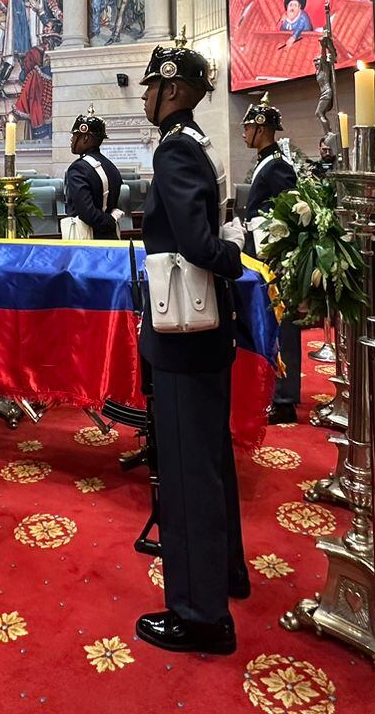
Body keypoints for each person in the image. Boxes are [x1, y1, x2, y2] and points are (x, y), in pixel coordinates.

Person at [134, 38, 247, 656]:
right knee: (210, 462)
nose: (146, 97)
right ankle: (224, 572)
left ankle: (199, 614)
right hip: (207, 330)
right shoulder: (198, 143)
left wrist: (235, 256)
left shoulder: (175, 149)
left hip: (184, 333)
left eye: (151, 87)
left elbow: (200, 245)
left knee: (186, 473)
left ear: (172, 89)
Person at [241, 93, 300, 424]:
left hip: (273, 255)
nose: (244, 134)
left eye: (247, 127)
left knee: (282, 325)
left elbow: (288, 210)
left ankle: (285, 398)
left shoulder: (277, 164)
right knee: (271, 323)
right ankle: (277, 391)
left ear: (261, 129)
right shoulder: (267, 160)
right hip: (261, 251)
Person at [64, 106, 124, 239]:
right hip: (112, 237)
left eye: (75, 135)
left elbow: (87, 213)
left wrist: (110, 221)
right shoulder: (111, 166)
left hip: (88, 241)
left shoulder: (78, 168)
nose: (72, 139)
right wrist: (112, 220)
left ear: (85, 138)